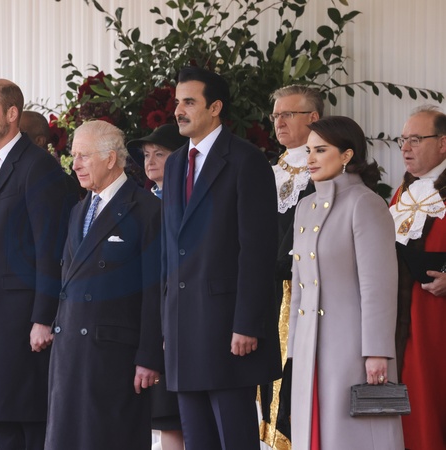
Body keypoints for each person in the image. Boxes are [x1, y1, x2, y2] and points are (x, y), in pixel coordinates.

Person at [161, 66, 281, 450]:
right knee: (197, 440)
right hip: (183, 327)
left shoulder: (247, 160)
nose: (179, 111)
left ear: (215, 107)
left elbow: (258, 250)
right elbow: (169, 248)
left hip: (229, 329)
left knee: (235, 438)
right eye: (177, 102)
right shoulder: (174, 163)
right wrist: (166, 324)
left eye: (189, 102)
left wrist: (247, 323)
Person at [0, 79, 75, 450]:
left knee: (26, 426)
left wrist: (44, 318)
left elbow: (50, 248)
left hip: (22, 323)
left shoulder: (39, 166)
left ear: (12, 114)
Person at [45, 120, 163, 450]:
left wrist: (149, 356)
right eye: (73, 156)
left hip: (114, 357)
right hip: (69, 352)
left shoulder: (147, 210)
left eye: (83, 156)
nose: (75, 165)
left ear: (110, 159)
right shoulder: (78, 210)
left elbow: (156, 289)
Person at [288, 116, 404, 449]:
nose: (310, 159)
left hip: (353, 348)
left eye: (320, 150)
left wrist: (378, 352)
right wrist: (294, 347)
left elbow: (378, 286)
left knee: (351, 435)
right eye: (308, 150)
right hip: (310, 346)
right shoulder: (305, 207)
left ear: (346, 155)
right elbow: (299, 286)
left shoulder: (365, 203)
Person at [260, 85, 322, 450]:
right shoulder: (265, 171)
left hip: (303, 290)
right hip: (263, 289)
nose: (279, 122)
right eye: (276, 115)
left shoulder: (325, 170)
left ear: (314, 118)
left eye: (288, 114)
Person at [127, 123, 186, 450]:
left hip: (175, 319)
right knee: (162, 417)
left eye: (159, 154)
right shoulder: (142, 202)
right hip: (144, 319)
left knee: (180, 415)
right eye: (146, 155)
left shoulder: (186, 201)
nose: (149, 161)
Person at [390, 105, 446, 450]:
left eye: (415, 139)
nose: (406, 148)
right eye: (402, 140)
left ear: (443, 143)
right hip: (403, 317)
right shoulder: (402, 192)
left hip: (437, 317)